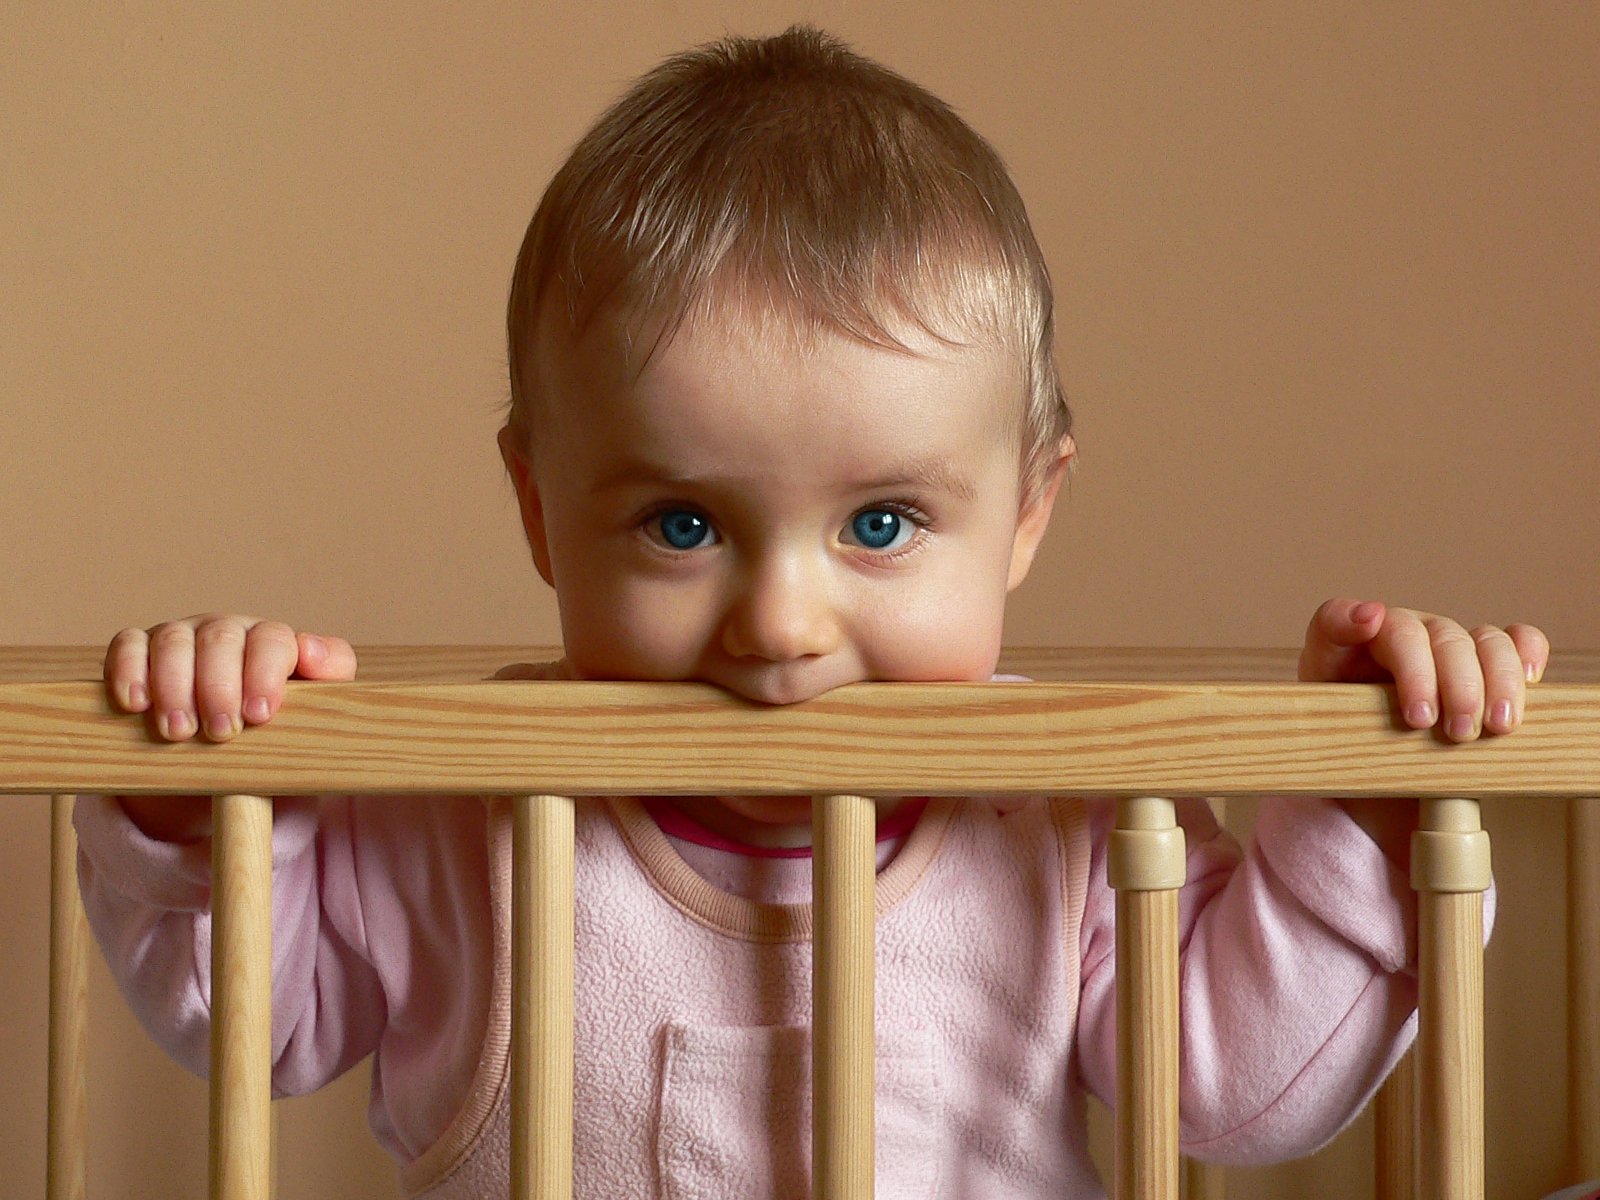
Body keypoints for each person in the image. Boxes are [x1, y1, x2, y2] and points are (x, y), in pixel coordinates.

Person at [77, 25, 1550, 1199]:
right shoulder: (461, 801)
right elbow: (255, 1024)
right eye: (684, 523)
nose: (781, 621)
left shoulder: (1063, 819)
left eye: (882, 523)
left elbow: (1239, 1092)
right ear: (539, 510)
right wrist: (209, 807)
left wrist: (1367, 814)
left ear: (1028, 511)